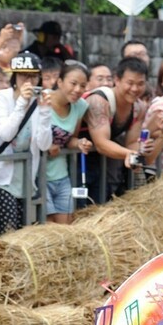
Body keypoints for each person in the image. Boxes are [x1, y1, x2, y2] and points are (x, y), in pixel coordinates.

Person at [82, 57, 163, 202]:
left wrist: (146, 146)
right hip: (78, 161)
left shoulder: (139, 107)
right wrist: (130, 153)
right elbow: (101, 143)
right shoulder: (99, 100)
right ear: (117, 80)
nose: (135, 89)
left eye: (140, 84)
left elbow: (132, 144)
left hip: (103, 166)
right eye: (130, 83)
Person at [0, 52, 52, 236]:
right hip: (1, 177)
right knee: (8, 232)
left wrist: (45, 112)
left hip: (27, 178)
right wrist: (22, 102)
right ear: (14, 77)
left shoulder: (38, 102)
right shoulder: (0, 98)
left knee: (25, 233)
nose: (28, 81)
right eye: (23, 76)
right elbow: (5, 133)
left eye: (33, 76)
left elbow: (44, 145)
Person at [46, 61, 92, 224]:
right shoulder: (42, 99)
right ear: (59, 82)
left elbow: (70, 139)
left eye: (83, 86)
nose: (78, 89)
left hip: (61, 175)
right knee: (47, 227)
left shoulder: (80, 106)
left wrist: (80, 143)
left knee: (65, 227)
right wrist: (45, 146)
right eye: (73, 83)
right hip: (38, 176)